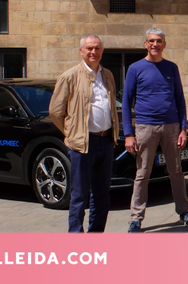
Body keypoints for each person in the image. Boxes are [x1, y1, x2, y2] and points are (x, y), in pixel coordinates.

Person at [123, 28, 188, 232]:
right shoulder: (135, 68)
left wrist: (183, 129)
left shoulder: (171, 68)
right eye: (151, 41)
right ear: (145, 44)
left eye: (159, 41)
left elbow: (180, 99)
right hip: (145, 126)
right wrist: (128, 134)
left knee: (176, 171)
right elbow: (126, 102)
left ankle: (184, 212)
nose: (155, 44)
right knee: (143, 173)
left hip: (171, 126)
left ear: (164, 44)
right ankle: (136, 218)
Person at [49, 34, 120, 233]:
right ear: (81, 51)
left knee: (102, 194)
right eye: (89, 48)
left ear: (102, 51)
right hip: (82, 144)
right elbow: (55, 111)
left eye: (97, 48)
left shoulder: (108, 76)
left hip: (105, 141)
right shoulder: (69, 76)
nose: (93, 52)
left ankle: (96, 234)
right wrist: (72, 133)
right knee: (79, 195)